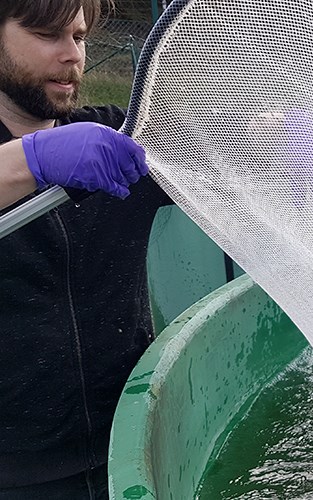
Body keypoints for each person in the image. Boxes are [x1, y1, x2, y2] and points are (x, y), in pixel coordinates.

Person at [0, 1, 172, 498]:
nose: (71, 55)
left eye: (78, 37)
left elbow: (217, 148)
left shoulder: (123, 140)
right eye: (48, 35)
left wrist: (276, 142)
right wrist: (29, 161)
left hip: (132, 448)